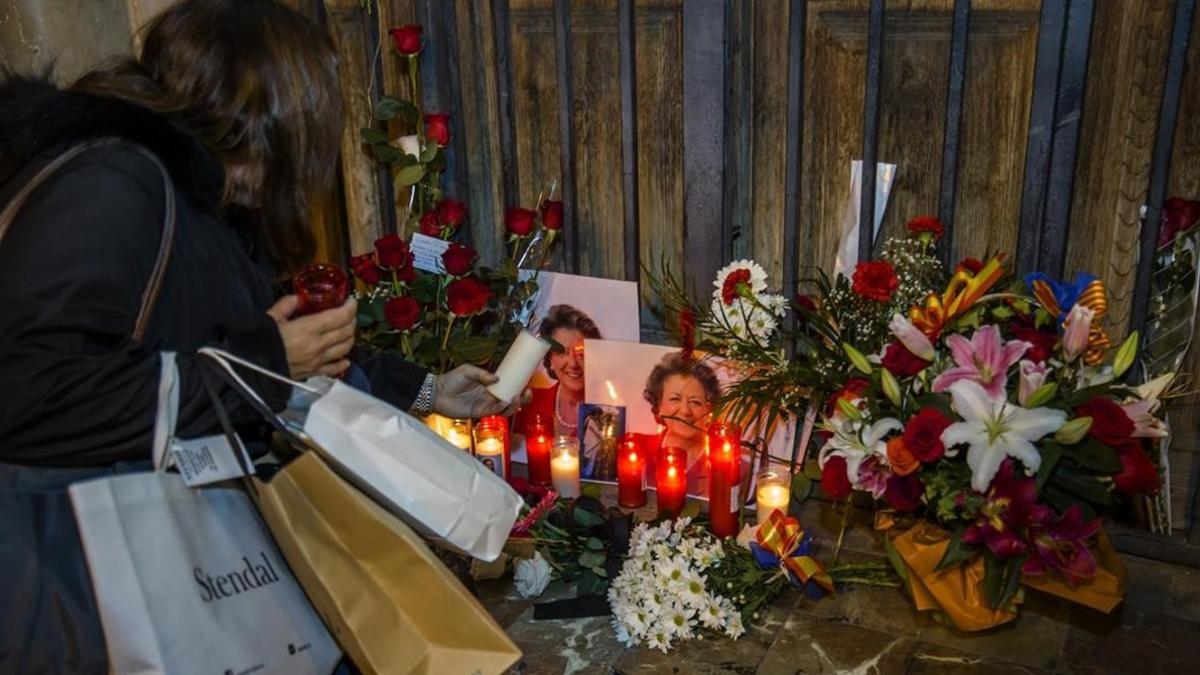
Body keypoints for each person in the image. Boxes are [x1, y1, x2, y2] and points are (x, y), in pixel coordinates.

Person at [0, 1, 518, 671]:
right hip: (81, 590)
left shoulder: (196, 195)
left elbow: (252, 346)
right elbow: (27, 391)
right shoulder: (114, 184)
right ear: (273, 114)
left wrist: (425, 389)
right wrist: (270, 357)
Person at [515, 304, 602, 438]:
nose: (573, 364)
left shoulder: (610, 414)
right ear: (549, 360)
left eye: (581, 353)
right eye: (562, 352)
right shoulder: (527, 404)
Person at [642, 352, 721, 494]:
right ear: (659, 406)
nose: (685, 411)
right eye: (675, 399)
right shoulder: (637, 454)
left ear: (708, 409)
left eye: (695, 402)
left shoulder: (726, 467)